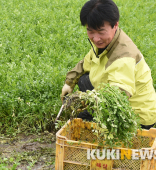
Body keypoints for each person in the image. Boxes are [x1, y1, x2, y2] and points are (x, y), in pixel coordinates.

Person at [61, 0, 156, 130]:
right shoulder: (105, 42)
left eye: (101, 32)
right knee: (84, 80)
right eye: (90, 31)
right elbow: (86, 63)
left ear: (115, 25)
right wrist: (69, 82)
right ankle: (93, 115)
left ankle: (97, 121)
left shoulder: (123, 56)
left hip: (135, 116)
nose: (95, 38)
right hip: (114, 96)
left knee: (93, 133)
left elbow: (118, 96)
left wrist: (85, 99)